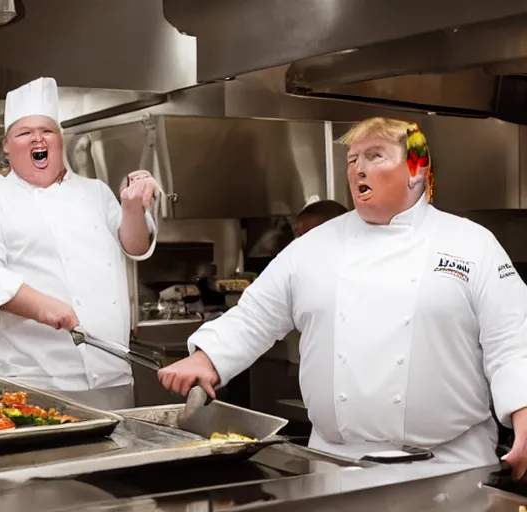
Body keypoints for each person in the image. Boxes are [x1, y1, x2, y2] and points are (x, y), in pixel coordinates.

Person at [158, 117, 527, 475]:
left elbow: (513, 339)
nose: (358, 170)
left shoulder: (471, 244)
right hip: (337, 468)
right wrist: (208, 359)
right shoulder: (313, 248)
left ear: (415, 168)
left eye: (375, 156)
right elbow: (255, 315)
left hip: (450, 468)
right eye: (352, 160)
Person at [0, 77, 159, 410]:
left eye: (47, 130)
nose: (38, 138)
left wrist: (134, 205)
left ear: (60, 139)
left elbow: (134, 246)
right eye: (24, 133)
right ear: (7, 145)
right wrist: (42, 306)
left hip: (113, 380)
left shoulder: (95, 193)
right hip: (33, 383)